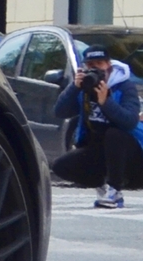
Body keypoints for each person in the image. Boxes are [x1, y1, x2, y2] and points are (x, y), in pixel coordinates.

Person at [54, 44, 143, 208]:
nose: (95, 70)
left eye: (99, 64)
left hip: (131, 151)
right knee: (61, 166)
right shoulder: (84, 87)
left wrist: (106, 102)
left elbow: (130, 121)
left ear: (109, 65)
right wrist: (74, 87)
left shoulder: (124, 86)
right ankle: (103, 185)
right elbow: (60, 112)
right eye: (90, 66)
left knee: (113, 134)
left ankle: (115, 190)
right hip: (99, 150)